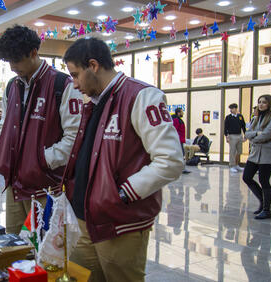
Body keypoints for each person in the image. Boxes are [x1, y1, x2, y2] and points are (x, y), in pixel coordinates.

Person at [62, 37, 183, 282]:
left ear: (93, 66)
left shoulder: (141, 96)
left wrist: (122, 194)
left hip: (119, 224)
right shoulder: (95, 102)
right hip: (85, 219)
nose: (74, 84)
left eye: (75, 75)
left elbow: (170, 160)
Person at [0, 25, 83, 234]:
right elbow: (5, 124)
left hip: (45, 187)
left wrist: (42, 160)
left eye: (16, 61)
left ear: (34, 53)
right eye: (8, 62)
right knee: (13, 244)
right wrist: (2, 148)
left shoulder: (62, 84)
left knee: (41, 248)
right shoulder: (12, 86)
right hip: (14, 183)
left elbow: (75, 137)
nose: (12, 67)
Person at [243, 95, 271, 220]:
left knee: (264, 181)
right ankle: (265, 201)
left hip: (267, 154)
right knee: (247, 177)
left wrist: (254, 139)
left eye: (264, 102)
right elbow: (247, 133)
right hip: (255, 154)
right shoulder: (256, 118)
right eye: (259, 102)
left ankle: (266, 210)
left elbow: (267, 135)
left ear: (269, 104)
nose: (261, 104)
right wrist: (255, 134)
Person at [224, 103, 247, 173]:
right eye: (230, 109)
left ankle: (237, 164)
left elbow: (243, 126)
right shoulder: (228, 117)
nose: (231, 110)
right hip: (232, 136)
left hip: (239, 135)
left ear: (236, 109)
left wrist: (245, 136)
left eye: (232, 108)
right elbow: (225, 127)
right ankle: (231, 165)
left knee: (239, 151)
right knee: (232, 151)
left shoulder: (240, 116)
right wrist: (226, 136)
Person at [171, 108, 190, 174]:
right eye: (182, 112)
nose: (183, 113)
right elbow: (174, 130)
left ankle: (181, 168)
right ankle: (181, 169)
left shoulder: (179, 120)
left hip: (180, 140)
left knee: (181, 154)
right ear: (178, 113)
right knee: (181, 154)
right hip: (178, 140)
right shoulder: (176, 120)